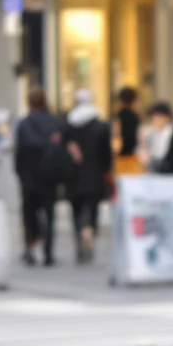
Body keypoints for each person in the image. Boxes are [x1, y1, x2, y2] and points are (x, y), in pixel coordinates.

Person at [13, 87, 69, 266]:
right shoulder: (55, 123)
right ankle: (48, 253)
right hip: (49, 176)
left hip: (29, 176)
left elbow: (19, 152)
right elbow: (61, 150)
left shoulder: (24, 124)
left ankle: (30, 247)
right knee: (49, 213)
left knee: (29, 214)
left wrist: (19, 172)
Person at [64, 88, 113, 264]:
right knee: (92, 208)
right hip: (95, 174)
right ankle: (89, 232)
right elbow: (106, 154)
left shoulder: (68, 126)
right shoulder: (100, 126)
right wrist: (107, 171)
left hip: (73, 175)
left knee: (76, 210)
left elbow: (61, 150)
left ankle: (79, 234)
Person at [112, 85, 143, 174]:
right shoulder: (136, 117)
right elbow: (140, 139)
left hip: (120, 159)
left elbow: (116, 136)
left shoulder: (118, 117)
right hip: (133, 158)